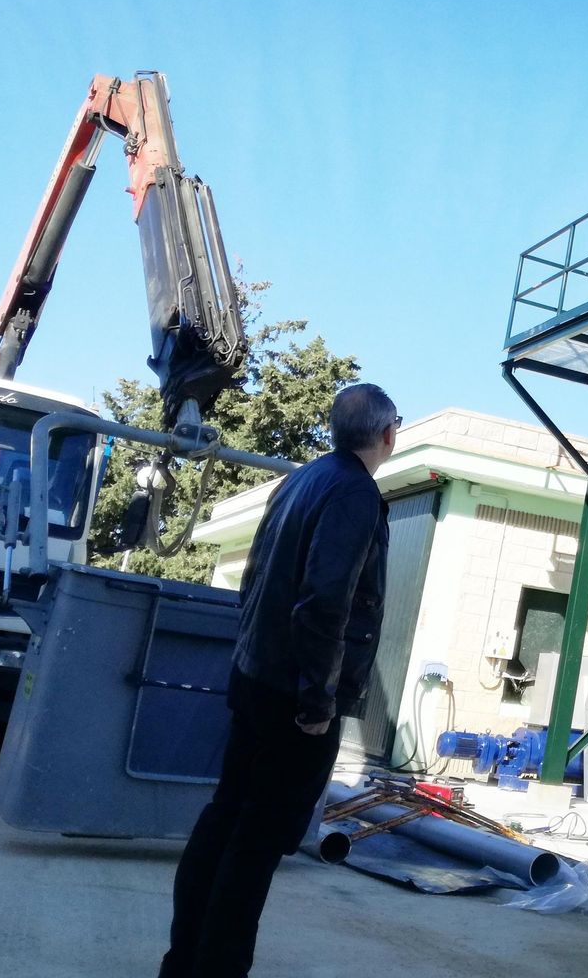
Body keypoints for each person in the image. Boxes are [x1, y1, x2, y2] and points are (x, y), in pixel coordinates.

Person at [160, 384, 398, 978]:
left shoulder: (300, 480)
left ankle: (182, 964)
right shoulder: (354, 495)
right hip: (296, 696)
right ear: (388, 435)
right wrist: (317, 699)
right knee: (256, 842)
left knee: (225, 820)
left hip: (256, 675)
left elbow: (256, 577)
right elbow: (324, 603)